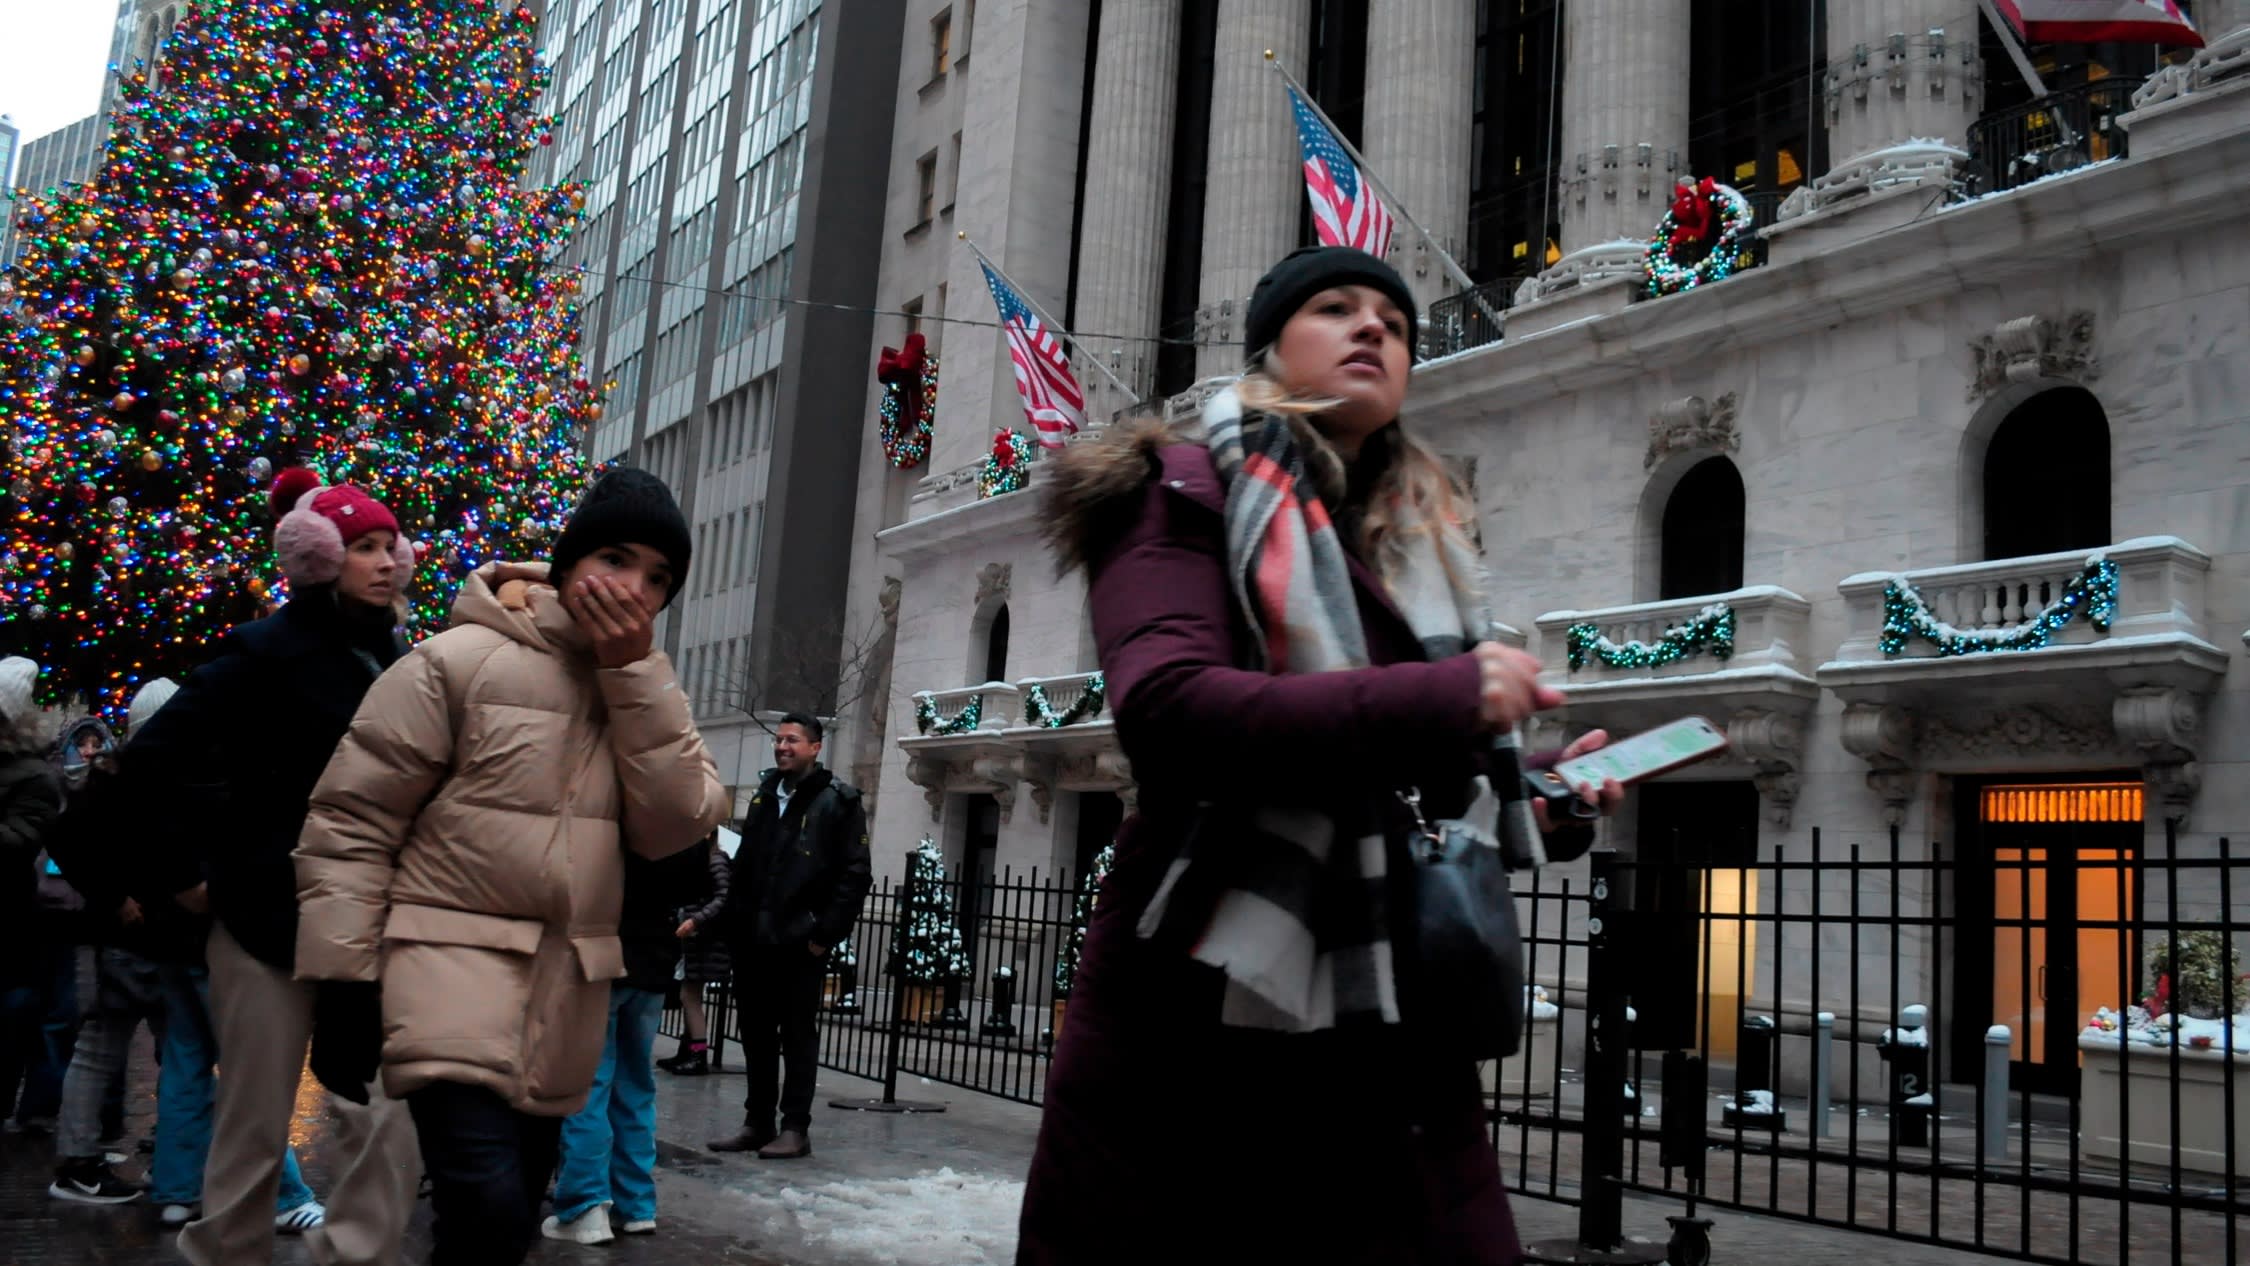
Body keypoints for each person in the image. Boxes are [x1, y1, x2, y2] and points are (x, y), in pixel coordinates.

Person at [1016, 246, 1625, 1266]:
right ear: (1270, 349)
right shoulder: (1173, 490)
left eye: (1392, 318)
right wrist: (1450, 695)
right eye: (1335, 309)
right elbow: (1169, 711)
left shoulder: (1418, 543)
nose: (1373, 327)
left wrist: (1539, 794)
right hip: (1206, 986)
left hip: (1384, 1000)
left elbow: (1405, 767)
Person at [292, 466, 730, 1266]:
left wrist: (635, 673)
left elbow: (677, 827)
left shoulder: (643, 692)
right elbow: (353, 822)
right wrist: (345, 983)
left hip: (564, 994)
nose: (634, 588)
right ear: (568, 564)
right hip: (444, 968)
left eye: (658, 578)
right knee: (487, 1206)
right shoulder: (455, 662)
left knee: (504, 1223)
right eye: (617, 560)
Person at [124, 468, 424, 1266]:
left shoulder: (400, 661)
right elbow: (152, 762)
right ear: (319, 557)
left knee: (385, 1112)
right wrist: (184, 875)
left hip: (367, 917)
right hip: (264, 918)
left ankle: (356, 1254)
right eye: (365, 547)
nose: (387, 561)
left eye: (392, 545)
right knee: (255, 1119)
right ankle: (223, 1252)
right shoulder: (263, 655)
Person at [707, 714, 870, 1161]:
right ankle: (757, 1122)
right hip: (754, 939)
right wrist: (732, 922)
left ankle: (795, 1127)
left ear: (816, 747)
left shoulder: (838, 801)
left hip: (800, 942)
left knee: (797, 1035)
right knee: (756, 1034)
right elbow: (747, 865)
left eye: (793, 740)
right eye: (779, 739)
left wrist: (824, 934)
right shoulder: (764, 796)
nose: (783, 747)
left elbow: (855, 873)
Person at [542, 838, 713, 1243]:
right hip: (653, 957)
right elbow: (696, 879)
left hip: (603, 952)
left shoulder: (610, 805)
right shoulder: (674, 813)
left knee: (588, 1085)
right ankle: (635, 1204)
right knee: (635, 1087)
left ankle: (585, 1205)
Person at [0, 659, 65, 1139]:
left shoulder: (33, 776)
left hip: (12, 915)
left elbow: (18, 840)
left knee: (19, 1015)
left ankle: (28, 1107)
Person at [656, 836, 731, 1077]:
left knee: (690, 996)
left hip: (703, 940)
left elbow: (723, 898)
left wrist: (695, 920)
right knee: (689, 995)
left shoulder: (714, 861)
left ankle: (697, 1053)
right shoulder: (705, 860)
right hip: (696, 940)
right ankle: (689, 1050)